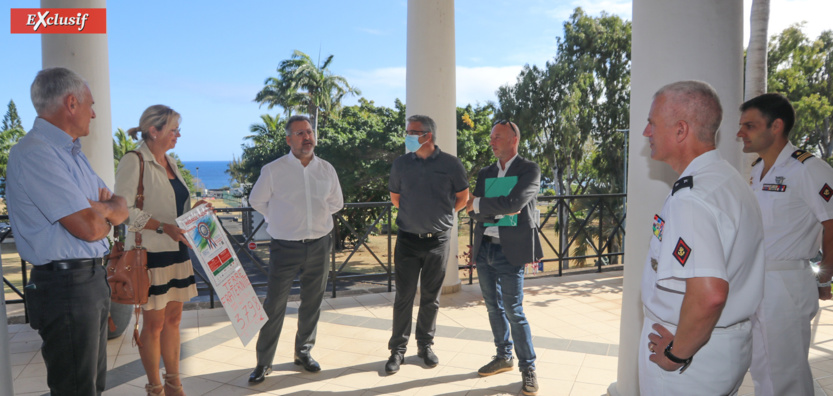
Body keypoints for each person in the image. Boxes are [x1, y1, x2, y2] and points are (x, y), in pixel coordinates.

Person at [7, 67, 129, 395]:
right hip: (66, 287)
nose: (94, 112)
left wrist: (96, 208)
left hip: (89, 282)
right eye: (89, 103)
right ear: (71, 103)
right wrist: (99, 213)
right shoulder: (35, 153)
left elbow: (120, 207)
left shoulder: (72, 154)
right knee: (76, 388)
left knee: (91, 384)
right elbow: (90, 229)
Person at [639, 81, 765, 395]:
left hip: (689, 359)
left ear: (681, 130)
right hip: (725, 346)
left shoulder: (691, 198)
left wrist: (675, 354)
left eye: (652, 124)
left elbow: (710, 295)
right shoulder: (726, 178)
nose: (646, 133)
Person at [736, 93, 833, 396]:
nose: (740, 133)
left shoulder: (808, 168)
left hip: (786, 282)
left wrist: (826, 276)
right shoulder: (756, 170)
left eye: (749, 126)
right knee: (763, 368)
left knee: (786, 373)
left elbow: (831, 222)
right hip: (758, 279)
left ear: (776, 125)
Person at [114, 105, 208, 396]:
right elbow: (123, 211)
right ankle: (155, 388)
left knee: (174, 321)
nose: (178, 135)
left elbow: (175, 212)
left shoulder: (171, 162)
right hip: (149, 256)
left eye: (178, 130)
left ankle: (174, 383)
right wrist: (161, 227)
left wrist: (195, 213)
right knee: (153, 326)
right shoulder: (134, 161)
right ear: (154, 131)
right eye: (173, 130)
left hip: (177, 253)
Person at [247, 115, 344, 384]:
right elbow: (257, 201)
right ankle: (263, 362)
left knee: (312, 303)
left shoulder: (326, 169)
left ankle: (303, 353)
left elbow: (336, 203)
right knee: (274, 305)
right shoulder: (273, 170)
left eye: (309, 132)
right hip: (285, 247)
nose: (307, 137)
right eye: (300, 133)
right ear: (289, 139)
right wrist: (278, 219)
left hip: (320, 245)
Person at [385, 114, 469, 375]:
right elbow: (396, 198)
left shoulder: (452, 164)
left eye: (412, 132)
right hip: (408, 240)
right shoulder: (400, 164)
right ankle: (397, 351)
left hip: (438, 240)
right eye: (407, 131)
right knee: (404, 297)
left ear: (427, 136)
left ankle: (425, 346)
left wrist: (440, 218)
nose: (408, 136)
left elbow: (462, 198)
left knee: (431, 298)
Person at [466, 120, 542, 395]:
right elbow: (474, 213)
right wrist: (487, 207)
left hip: (510, 251)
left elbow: (514, 204)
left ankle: (528, 368)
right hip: (485, 246)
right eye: (491, 137)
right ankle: (503, 356)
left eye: (497, 136)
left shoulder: (529, 170)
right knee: (492, 307)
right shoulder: (486, 173)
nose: (492, 141)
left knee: (514, 310)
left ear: (514, 139)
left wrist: (480, 204)